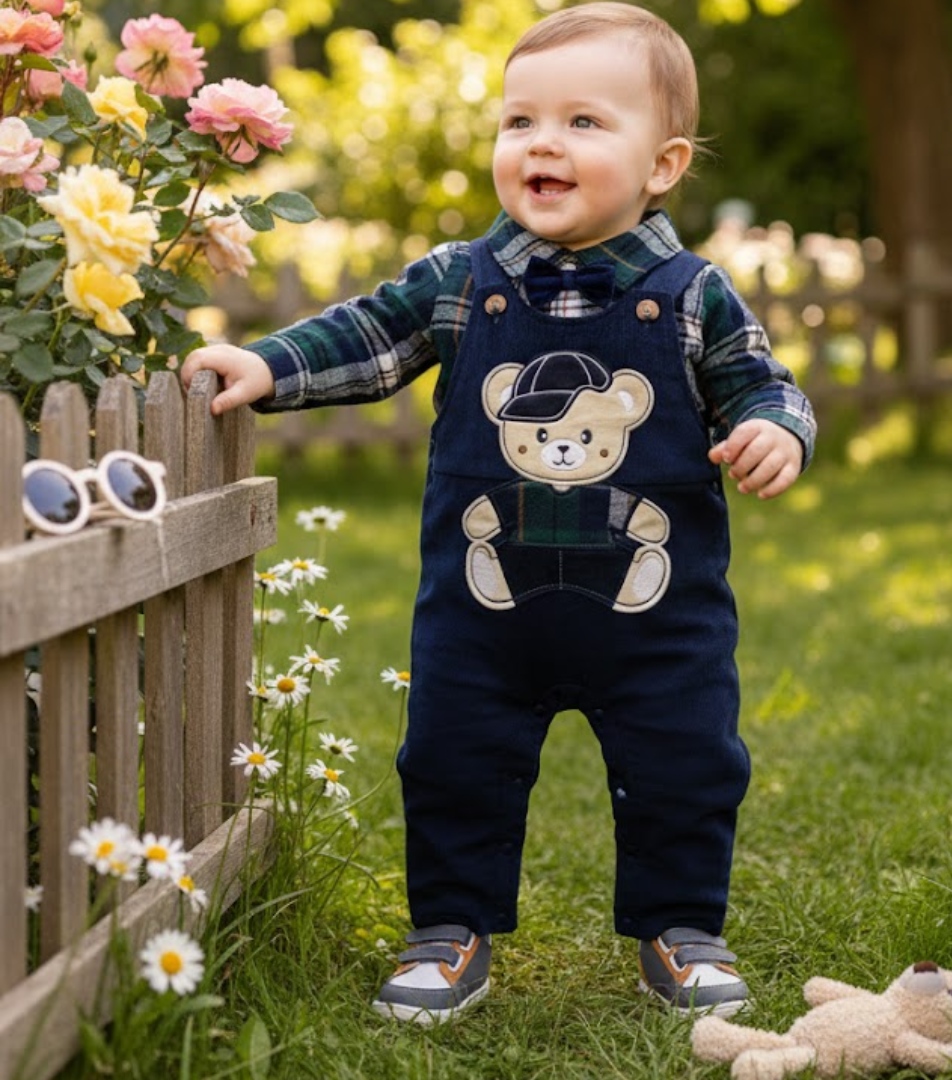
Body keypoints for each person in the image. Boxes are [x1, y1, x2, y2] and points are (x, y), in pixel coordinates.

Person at [182, 0, 815, 1026]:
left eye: (582, 122)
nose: (541, 144)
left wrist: (777, 432)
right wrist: (266, 363)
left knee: (687, 764)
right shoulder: (459, 281)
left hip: (658, 621)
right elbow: (368, 335)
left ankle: (681, 929)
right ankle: (449, 930)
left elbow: (761, 385)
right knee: (451, 760)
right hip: (484, 615)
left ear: (663, 164)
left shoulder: (692, 293)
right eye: (520, 121)